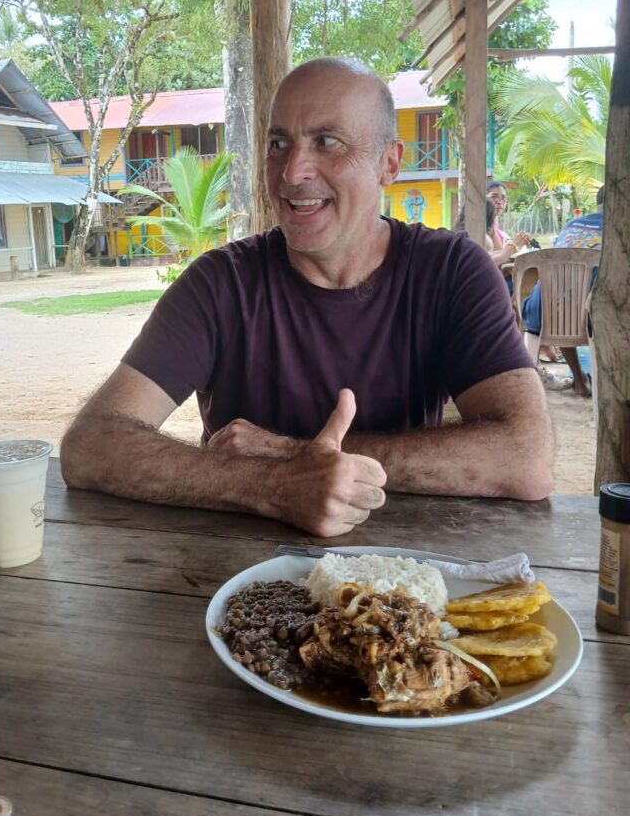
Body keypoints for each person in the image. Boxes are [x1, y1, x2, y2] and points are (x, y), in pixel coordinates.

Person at [61, 58, 553, 537]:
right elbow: (91, 444)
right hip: (235, 586)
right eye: (279, 143)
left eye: (327, 142)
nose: (292, 172)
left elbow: (526, 457)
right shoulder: (219, 285)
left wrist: (291, 454)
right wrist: (273, 486)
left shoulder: (450, 272)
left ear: (389, 164)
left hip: (400, 577)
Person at [521, 186, 604, 396]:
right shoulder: (621, 230)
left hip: (541, 314)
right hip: (591, 319)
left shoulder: (572, 225)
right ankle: (606, 382)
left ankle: (579, 379)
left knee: (563, 300)